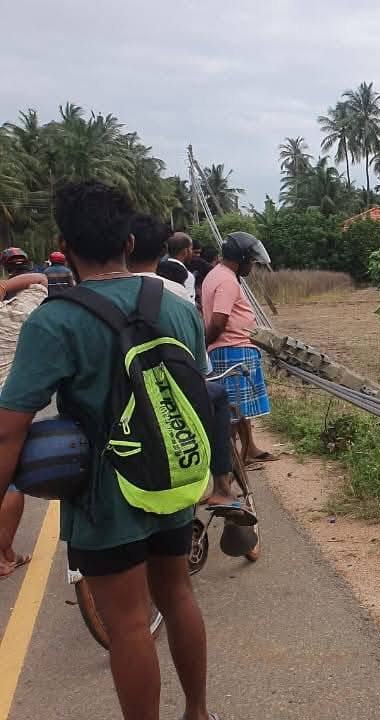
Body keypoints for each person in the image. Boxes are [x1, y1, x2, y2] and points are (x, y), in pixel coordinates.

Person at [0, 181, 217, 720]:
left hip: (105, 494)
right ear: (128, 238)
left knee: (127, 623)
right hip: (171, 478)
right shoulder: (177, 306)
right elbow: (198, 387)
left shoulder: (56, 319)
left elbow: (10, 426)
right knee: (179, 594)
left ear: (63, 244)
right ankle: (197, 712)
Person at [128, 216, 242, 512]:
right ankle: (221, 486)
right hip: (168, 399)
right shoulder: (178, 297)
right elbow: (199, 369)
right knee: (217, 396)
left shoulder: (74, 304)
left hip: (114, 414)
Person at [202, 231, 276, 466]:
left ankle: (250, 448)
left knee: (241, 410)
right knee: (232, 411)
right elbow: (218, 322)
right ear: (241, 259)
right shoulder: (226, 281)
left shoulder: (221, 275)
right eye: (251, 261)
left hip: (236, 348)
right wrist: (202, 348)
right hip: (232, 349)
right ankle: (233, 459)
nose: (252, 266)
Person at [0, 270, 48, 578]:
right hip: (6, 405)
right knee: (11, 482)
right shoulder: (21, 315)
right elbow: (38, 280)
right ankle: (5, 556)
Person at [164, 232, 199, 303]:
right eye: (191, 249)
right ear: (185, 251)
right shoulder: (187, 276)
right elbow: (189, 304)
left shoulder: (158, 270)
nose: (192, 252)